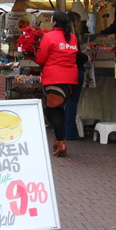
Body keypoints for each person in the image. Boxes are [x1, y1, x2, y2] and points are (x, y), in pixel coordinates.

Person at [34, 11, 78, 158]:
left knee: (54, 110)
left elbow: (40, 59)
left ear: (53, 22)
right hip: (70, 78)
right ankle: (58, 138)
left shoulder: (48, 37)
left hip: (54, 78)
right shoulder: (72, 38)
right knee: (60, 109)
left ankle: (60, 142)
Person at [64, 11, 89, 141]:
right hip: (75, 71)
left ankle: (64, 130)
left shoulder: (62, 36)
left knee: (66, 102)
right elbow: (75, 55)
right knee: (72, 102)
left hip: (63, 72)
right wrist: (85, 56)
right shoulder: (74, 38)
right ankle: (70, 132)